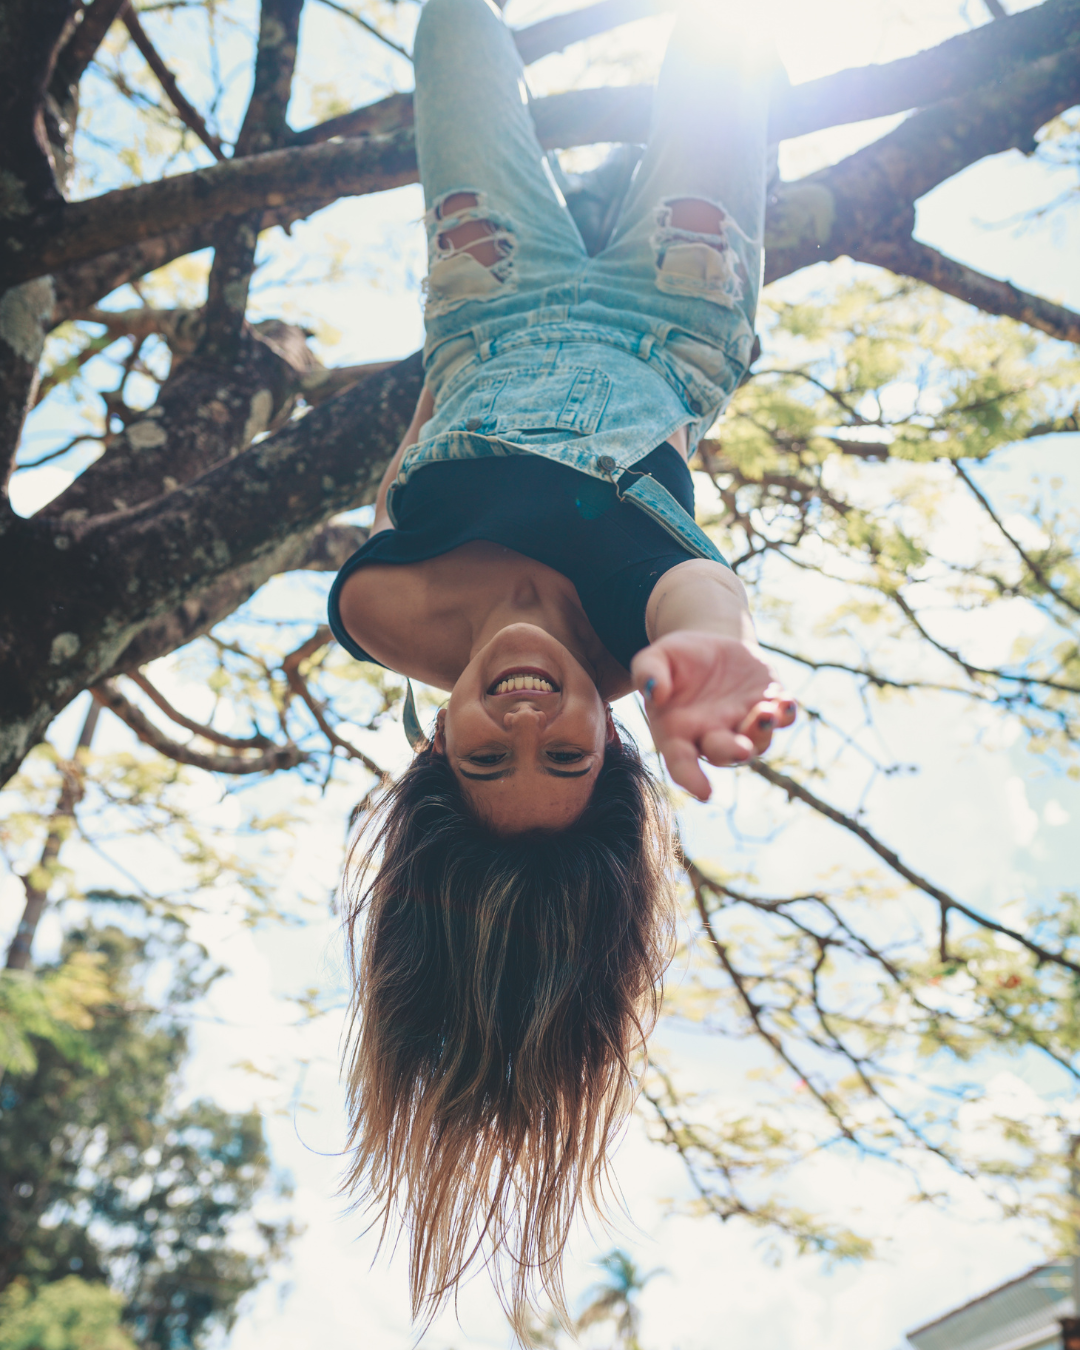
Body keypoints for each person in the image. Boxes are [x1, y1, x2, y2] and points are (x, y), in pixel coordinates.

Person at [327, 0, 796, 1329]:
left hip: (488, 295)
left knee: (451, 33)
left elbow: (405, 466)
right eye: (567, 754)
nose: (526, 715)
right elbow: (694, 587)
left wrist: (444, 373)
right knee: (721, 46)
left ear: (432, 752)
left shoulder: (379, 609)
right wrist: (724, 646)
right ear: (618, 744)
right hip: (674, 302)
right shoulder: (639, 628)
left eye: (487, 756)